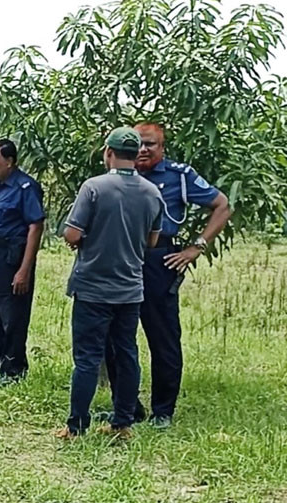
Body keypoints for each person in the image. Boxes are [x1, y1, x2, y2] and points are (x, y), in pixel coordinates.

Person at [104, 122, 232, 430]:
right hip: (120, 258)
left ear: (162, 148)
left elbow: (222, 206)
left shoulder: (179, 175)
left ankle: (163, 411)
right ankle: (127, 408)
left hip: (158, 260)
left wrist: (196, 248)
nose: (143, 149)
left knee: (163, 337)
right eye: (138, 143)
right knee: (113, 334)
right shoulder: (117, 175)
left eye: (150, 144)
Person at [60, 127, 164, 440]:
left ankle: (77, 426)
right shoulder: (152, 193)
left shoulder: (94, 187)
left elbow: (72, 234)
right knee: (127, 354)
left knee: (87, 359)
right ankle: (122, 424)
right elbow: (152, 241)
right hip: (130, 290)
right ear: (136, 155)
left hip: (92, 288)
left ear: (108, 152)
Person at [0, 139, 45, 384]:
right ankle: (0, 364)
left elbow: (35, 226)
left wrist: (24, 269)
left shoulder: (25, 187)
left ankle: (14, 368)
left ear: (9, 161)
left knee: (13, 314)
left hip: (12, 257)